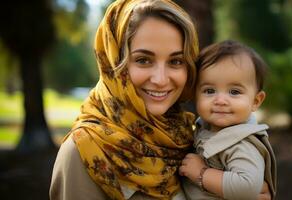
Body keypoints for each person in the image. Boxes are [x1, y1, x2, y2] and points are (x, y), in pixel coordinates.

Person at [49, 0, 272, 199]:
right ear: (115, 62)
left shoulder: (186, 135)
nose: (160, 79)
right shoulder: (84, 151)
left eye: (176, 61)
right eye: (144, 60)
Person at [179, 40, 277, 200]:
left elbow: (248, 187)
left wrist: (201, 173)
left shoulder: (241, 143)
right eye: (209, 90)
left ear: (256, 101)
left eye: (234, 92)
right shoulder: (204, 128)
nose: (220, 100)